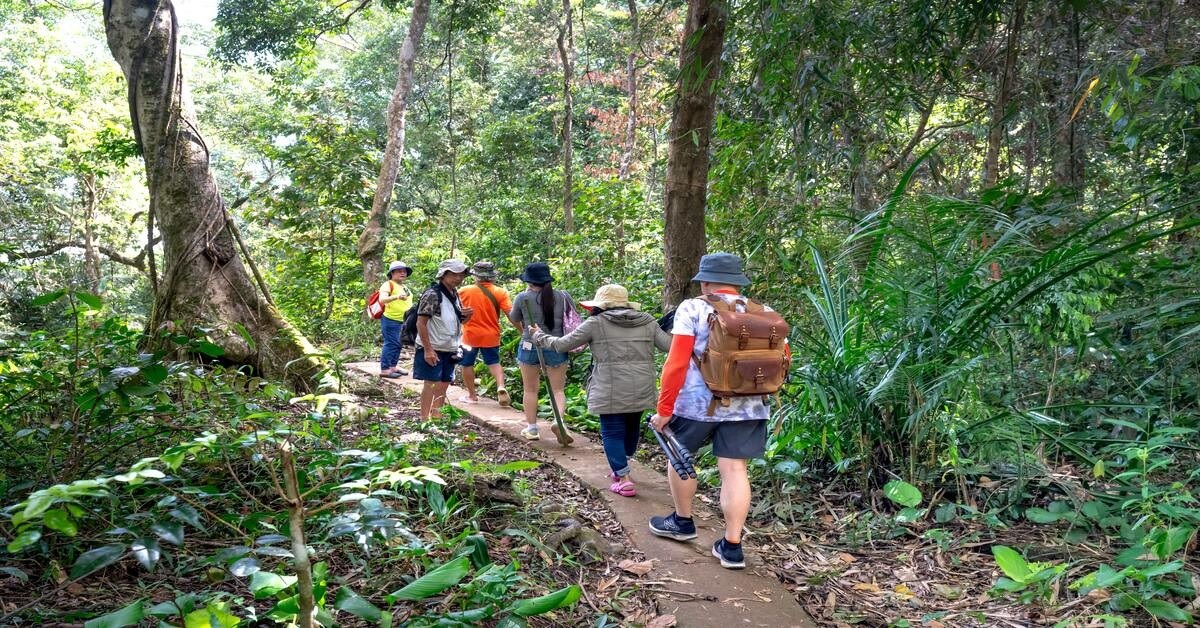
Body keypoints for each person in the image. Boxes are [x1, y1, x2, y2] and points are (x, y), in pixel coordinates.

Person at [648, 252, 783, 570]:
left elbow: (676, 362)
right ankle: (732, 546)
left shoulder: (693, 307)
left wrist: (664, 408)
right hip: (749, 406)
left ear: (705, 282)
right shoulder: (765, 312)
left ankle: (682, 522)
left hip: (696, 405)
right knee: (736, 471)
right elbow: (779, 359)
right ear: (738, 283)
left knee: (680, 458)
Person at [530, 284, 670, 497]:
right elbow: (669, 345)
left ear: (601, 304)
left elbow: (562, 345)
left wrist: (539, 337)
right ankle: (622, 467)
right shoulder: (648, 321)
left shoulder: (596, 322)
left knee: (612, 431)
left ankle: (623, 479)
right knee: (632, 426)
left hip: (609, 386)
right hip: (642, 384)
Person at [508, 261, 575, 441]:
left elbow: (514, 317)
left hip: (530, 345)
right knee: (558, 390)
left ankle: (532, 429)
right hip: (556, 345)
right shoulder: (561, 296)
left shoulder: (523, 297)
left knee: (530, 389)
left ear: (529, 281)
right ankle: (559, 421)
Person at [414, 259, 474, 420]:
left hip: (450, 347)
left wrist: (467, 317)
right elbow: (421, 322)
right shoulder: (432, 294)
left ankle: (437, 416)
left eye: (461, 274)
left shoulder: (455, 294)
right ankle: (424, 419)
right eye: (454, 274)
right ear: (444, 274)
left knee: (444, 383)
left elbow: (456, 322)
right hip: (433, 347)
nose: (458, 278)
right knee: (430, 384)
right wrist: (428, 349)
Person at [457, 261, 513, 406]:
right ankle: (501, 386)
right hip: (491, 334)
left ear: (475, 276)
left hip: (469, 335)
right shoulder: (500, 292)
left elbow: (455, 311)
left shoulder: (463, 291)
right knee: (494, 362)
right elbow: (510, 314)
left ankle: (472, 396)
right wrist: (522, 330)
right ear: (492, 276)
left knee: (467, 364)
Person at [378, 260, 413, 379]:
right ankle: (385, 369)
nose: (402, 273)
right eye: (399, 271)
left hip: (403, 320)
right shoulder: (388, 284)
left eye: (404, 271)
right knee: (391, 343)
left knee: (399, 343)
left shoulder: (404, 286)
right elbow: (382, 299)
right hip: (391, 319)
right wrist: (397, 297)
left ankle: (393, 366)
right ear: (392, 273)